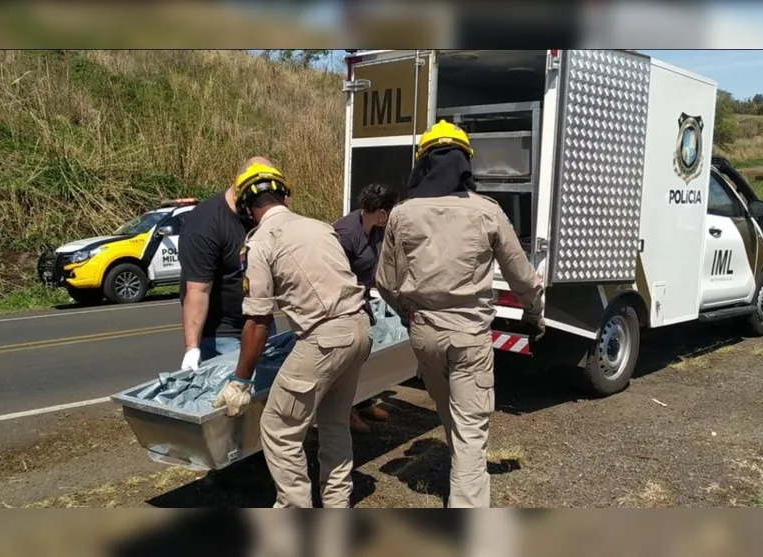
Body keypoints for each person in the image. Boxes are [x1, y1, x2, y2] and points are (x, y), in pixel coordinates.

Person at [375, 120, 546, 508]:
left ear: (424, 163)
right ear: (466, 163)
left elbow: (384, 281)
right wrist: (535, 313)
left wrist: (410, 315)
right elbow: (521, 275)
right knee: (470, 428)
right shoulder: (487, 212)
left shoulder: (402, 214)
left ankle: (462, 471)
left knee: (450, 412)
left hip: (424, 335)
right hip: (469, 337)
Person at [213, 157, 373, 508]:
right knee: (333, 423)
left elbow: (258, 320)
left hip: (326, 338)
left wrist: (241, 381)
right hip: (360, 328)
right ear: (285, 196)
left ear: (246, 208)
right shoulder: (320, 227)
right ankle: (336, 504)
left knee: (278, 427)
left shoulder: (261, 242)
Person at [178, 172, 276, 371]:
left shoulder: (263, 216)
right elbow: (198, 290)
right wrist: (191, 349)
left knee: (266, 392)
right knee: (229, 395)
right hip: (223, 333)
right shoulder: (206, 223)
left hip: (260, 323)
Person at [333, 183, 399, 435]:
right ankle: (345, 410)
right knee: (348, 359)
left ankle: (364, 400)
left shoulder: (375, 230)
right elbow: (335, 274)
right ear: (380, 212)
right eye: (390, 212)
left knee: (364, 354)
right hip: (344, 302)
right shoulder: (346, 232)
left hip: (362, 298)